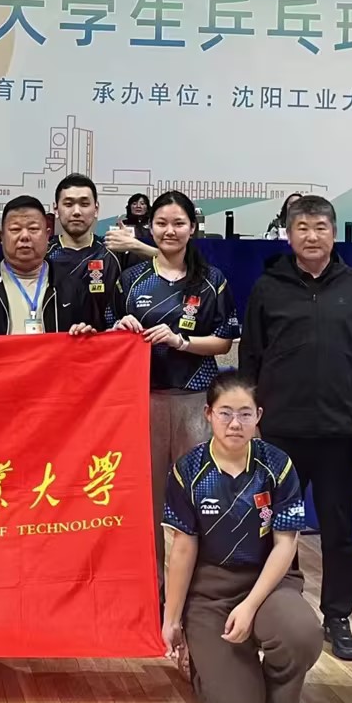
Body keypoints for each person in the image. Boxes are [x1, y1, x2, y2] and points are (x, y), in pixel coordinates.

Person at [238, 195, 352, 662]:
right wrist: (249, 421)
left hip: (339, 435)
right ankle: (279, 608)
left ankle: (337, 617)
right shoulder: (268, 288)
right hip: (278, 434)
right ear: (288, 234)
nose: (311, 236)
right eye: (301, 227)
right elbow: (251, 359)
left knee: (338, 531)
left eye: (320, 227)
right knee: (273, 528)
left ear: (333, 232)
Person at [162, 374, 322, 703]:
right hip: (210, 592)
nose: (235, 423)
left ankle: (282, 691)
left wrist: (249, 607)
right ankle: (205, 659)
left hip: (268, 583)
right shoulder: (187, 471)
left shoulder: (277, 466)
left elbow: (286, 544)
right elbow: (183, 550)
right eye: (225, 413)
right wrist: (172, 620)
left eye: (245, 414)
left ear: (258, 415)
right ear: (208, 414)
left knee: (303, 634)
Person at [112, 190, 240, 579]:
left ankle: (201, 587)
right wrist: (120, 328)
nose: (170, 231)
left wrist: (181, 341)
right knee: (147, 501)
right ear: (149, 228)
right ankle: (152, 587)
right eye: (162, 223)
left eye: (178, 223)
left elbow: (224, 341)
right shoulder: (130, 279)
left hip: (195, 400)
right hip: (144, 400)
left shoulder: (211, 281)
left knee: (200, 495)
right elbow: (108, 331)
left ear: (192, 228)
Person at [0, 195, 96, 340]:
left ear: (47, 235)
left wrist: (85, 334)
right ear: (2, 237)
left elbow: (94, 339)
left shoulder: (73, 289)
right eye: (15, 229)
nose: (24, 236)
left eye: (33, 229)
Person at [46, 173, 123, 330]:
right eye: (68, 204)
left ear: (96, 209)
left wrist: (138, 247)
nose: (76, 211)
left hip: (103, 343)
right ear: (56, 209)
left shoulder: (114, 253)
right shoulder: (43, 255)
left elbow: (169, 265)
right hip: (55, 343)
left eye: (84, 204)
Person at [106, 191, 159, 268]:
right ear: (129, 207)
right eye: (134, 204)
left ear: (147, 207)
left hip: (151, 265)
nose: (138, 206)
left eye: (142, 204)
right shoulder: (122, 225)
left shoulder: (153, 225)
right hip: (127, 266)